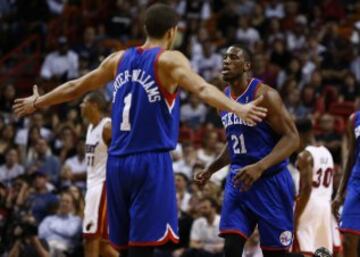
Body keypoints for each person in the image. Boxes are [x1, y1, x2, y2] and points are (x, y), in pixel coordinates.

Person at [13, 4, 267, 257]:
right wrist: (238, 108)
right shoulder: (169, 59)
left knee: (123, 249)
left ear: (145, 28)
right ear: (172, 32)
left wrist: (38, 102)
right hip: (149, 161)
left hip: (118, 163)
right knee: (142, 249)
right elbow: (201, 89)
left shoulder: (118, 58)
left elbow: (76, 86)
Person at [194, 45, 331, 257]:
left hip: (271, 181)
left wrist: (260, 166)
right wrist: (211, 169)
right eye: (225, 57)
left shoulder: (266, 95)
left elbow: (292, 138)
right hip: (239, 181)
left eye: (233, 57)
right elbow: (235, 143)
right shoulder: (223, 100)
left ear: (247, 65)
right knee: (230, 248)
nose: (226, 61)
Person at [293, 119, 340, 256]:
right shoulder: (327, 153)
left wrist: (296, 217)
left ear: (299, 134)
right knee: (322, 251)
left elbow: (307, 188)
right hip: (325, 206)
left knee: (306, 249)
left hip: (309, 205)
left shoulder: (304, 156)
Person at [80, 92, 117, 257]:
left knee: (91, 239)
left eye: (84, 102)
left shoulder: (107, 127)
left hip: (103, 186)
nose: (81, 106)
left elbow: (125, 152)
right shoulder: (90, 127)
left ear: (94, 105)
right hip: (92, 186)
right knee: (102, 246)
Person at [333, 112, 360, 257]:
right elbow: (351, 157)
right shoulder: (354, 119)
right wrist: (339, 194)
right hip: (356, 183)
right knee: (348, 241)